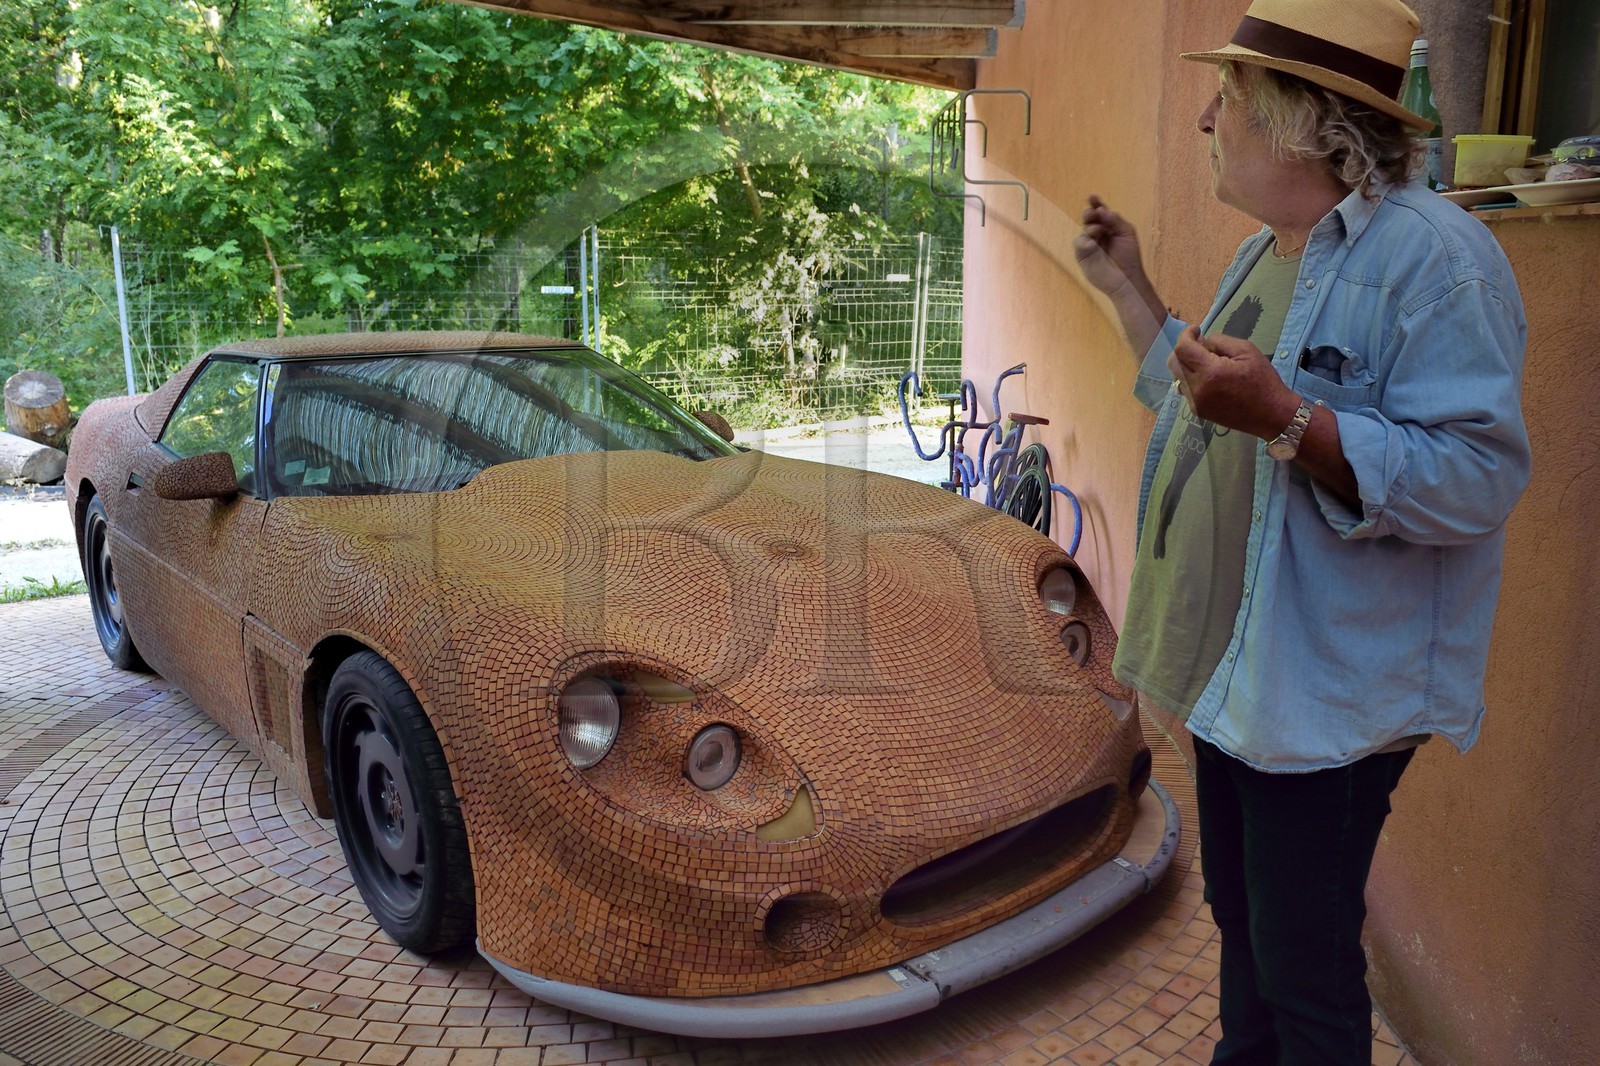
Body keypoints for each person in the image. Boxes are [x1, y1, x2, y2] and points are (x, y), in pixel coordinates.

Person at [1072, 1, 1530, 1064]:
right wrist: (1129, 287)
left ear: (1302, 122)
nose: (1202, 119)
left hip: (1326, 701)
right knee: (1245, 928)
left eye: (1226, 98)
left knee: (1307, 970)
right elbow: (1201, 400)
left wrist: (1290, 417)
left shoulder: (1440, 260)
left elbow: (1476, 478)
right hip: (1242, 676)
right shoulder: (1265, 252)